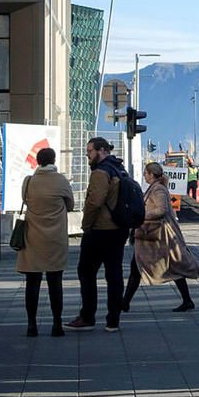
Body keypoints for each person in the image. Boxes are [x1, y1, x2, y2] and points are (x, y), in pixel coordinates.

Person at [68, 137, 130, 331]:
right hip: (119, 229)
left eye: (90, 151)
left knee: (86, 272)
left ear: (101, 150)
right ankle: (113, 320)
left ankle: (87, 316)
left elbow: (94, 202)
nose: (87, 155)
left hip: (100, 230)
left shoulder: (100, 172)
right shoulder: (120, 169)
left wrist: (86, 225)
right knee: (114, 274)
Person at [123, 161, 199, 313]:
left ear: (152, 174)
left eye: (146, 173)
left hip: (157, 235)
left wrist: (141, 216)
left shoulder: (158, 189)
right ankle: (125, 302)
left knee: (141, 266)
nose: (144, 175)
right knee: (164, 266)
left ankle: (124, 302)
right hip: (154, 235)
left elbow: (161, 210)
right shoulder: (156, 187)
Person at [16, 146, 73, 337]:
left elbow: (24, 199)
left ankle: (31, 325)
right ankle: (57, 324)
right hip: (55, 238)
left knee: (32, 282)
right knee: (55, 282)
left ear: (38, 161)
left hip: (33, 237)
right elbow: (70, 205)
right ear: (54, 160)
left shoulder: (29, 181)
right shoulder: (62, 181)